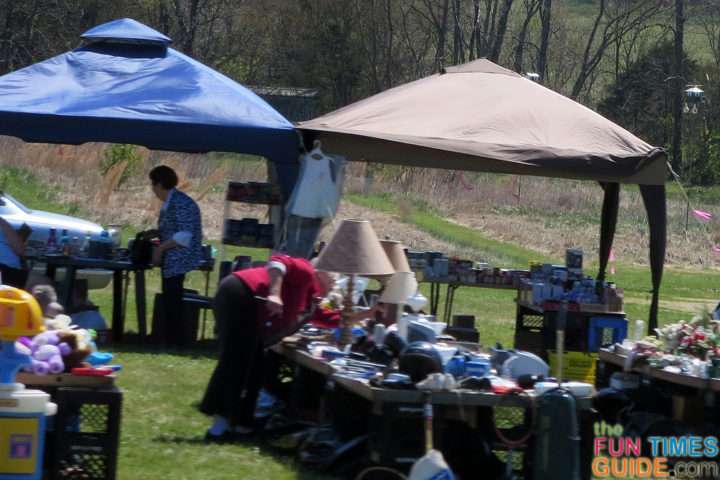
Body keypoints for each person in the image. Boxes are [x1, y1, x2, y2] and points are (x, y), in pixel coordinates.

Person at [199, 254, 329, 442]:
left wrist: (370, 312)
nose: (335, 283)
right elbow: (278, 261)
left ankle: (243, 425)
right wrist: (275, 293)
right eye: (333, 277)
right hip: (241, 294)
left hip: (255, 312)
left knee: (257, 368)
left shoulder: (312, 299)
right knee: (237, 363)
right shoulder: (307, 271)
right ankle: (218, 428)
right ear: (322, 273)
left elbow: (329, 319)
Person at [148, 165, 203, 348]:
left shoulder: (181, 203)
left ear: (160, 184)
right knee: (170, 298)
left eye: (153, 184)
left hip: (179, 257)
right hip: (172, 257)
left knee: (173, 300)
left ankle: (174, 342)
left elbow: (184, 236)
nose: (152, 188)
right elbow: (173, 227)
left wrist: (160, 249)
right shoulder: (171, 202)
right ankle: (170, 339)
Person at [0, 217, 28, 288]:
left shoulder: (3, 224)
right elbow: (20, 250)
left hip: (11, 271)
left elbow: (20, 250)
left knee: (42, 284)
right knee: (42, 283)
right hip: (7, 271)